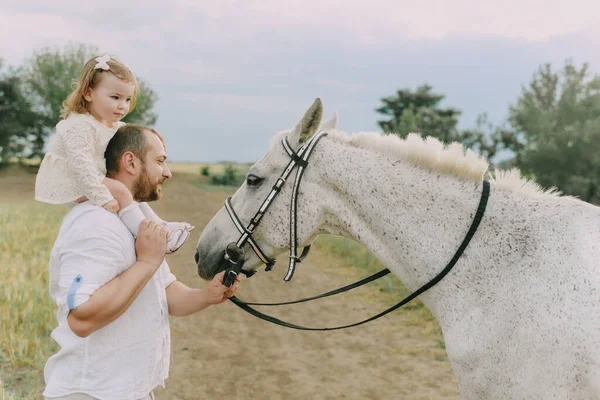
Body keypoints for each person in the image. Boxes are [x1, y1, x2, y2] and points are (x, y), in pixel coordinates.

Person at [42, 124, 240, 400]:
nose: (167, 172)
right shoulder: (95, 223)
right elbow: (81, 319)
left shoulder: (134, 223)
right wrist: (146, 263)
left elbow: (164, 292)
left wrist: (207, 295)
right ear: (131, 162)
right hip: (92, 392)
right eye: (160, 161)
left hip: (130, 390)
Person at [34, 54, 193, 253]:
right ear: (89, 93)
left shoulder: (107, 122)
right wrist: (103, 198)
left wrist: (151, 136)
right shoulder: (80, 126)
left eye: (127, 99)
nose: (122, 106)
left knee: (130, 194)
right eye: (115, 98)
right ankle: (146, 233)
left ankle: (160, 226)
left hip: (90, 175)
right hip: (73, 178)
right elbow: (80, 165)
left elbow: (128, 136)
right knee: (120, 190)